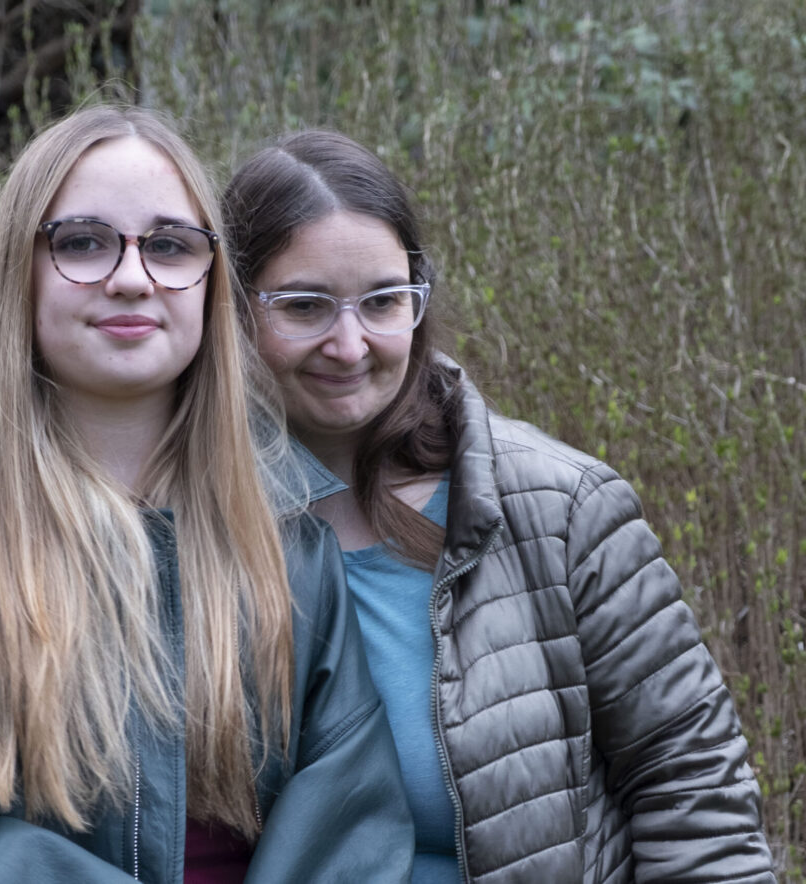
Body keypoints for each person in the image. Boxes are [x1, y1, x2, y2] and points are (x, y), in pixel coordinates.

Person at [0, 106, 414, 884]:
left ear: (209, 280)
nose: (132, 277)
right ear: (18, 271)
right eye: (83, 242)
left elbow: (354, 840)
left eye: (169, 245)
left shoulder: (287, 544)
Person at [223, 129, 777, 883]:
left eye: (383, 301)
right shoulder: (184, 530)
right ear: (233, 308)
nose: (349, 345)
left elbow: (692, 785)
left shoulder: (561, 509)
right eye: (305, 306)